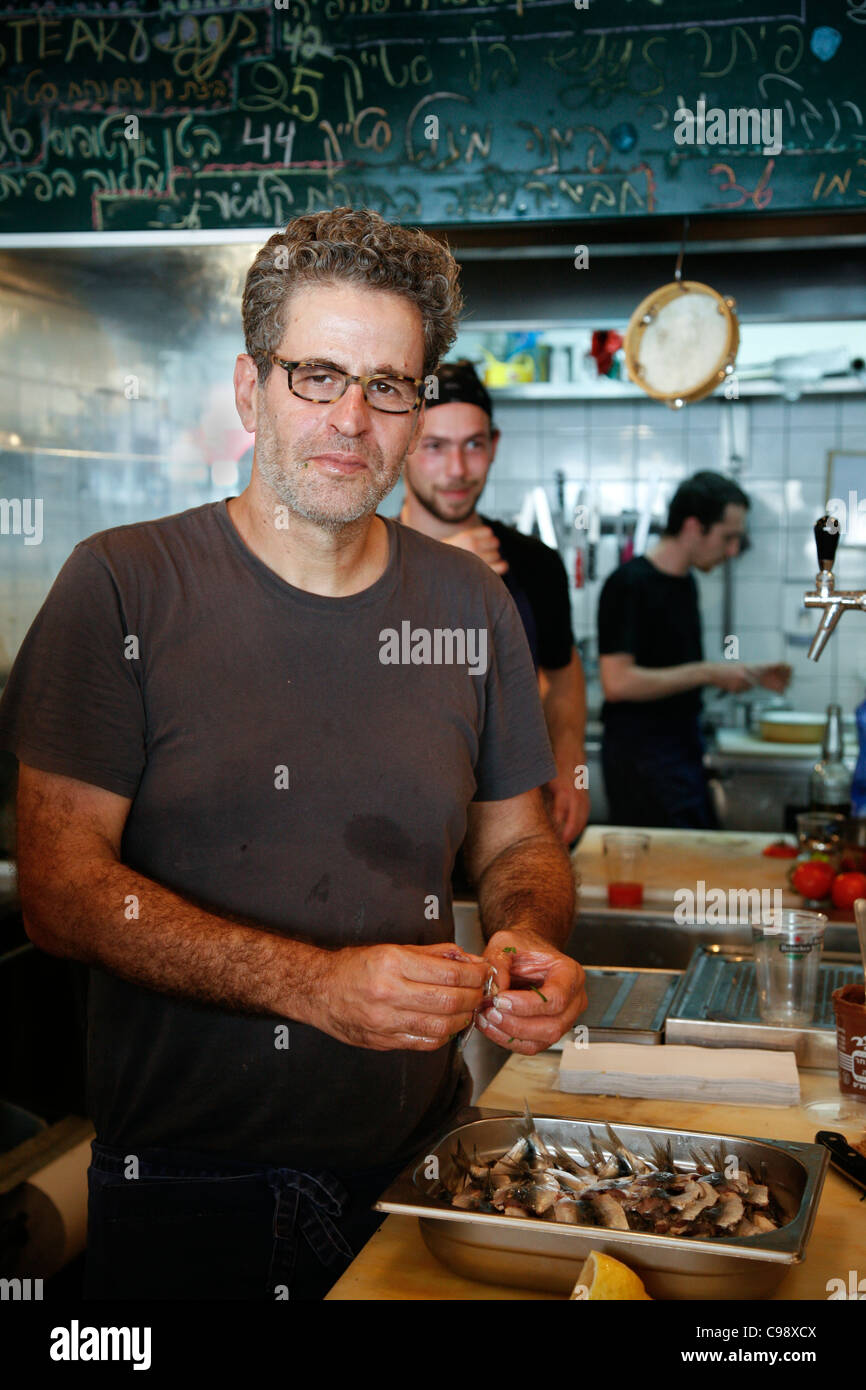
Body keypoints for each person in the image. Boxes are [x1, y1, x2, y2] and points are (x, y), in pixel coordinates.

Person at [0, 207, 586, 1301]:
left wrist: (528, 936)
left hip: (423, 1165)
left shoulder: (471, 602)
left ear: (419, 411)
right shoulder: (123, 585)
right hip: (188, 1192)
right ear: (248, 388)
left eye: (388, 386)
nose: (351, 420)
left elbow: (517, 839)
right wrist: (312, 987)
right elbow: (62, 892)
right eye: (316, 375)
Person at [400, 360, 590, 845]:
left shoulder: (536, 564)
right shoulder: (360, 556)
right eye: (435, 447)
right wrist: (443, 575)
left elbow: (564, 675)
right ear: (401, 443)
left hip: (513, 826)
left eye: (474, 446)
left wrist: (570, 762)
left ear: (494, 446)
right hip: (398, 826)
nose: (458, 470)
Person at [598, 470, 791, 829]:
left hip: (682, 748)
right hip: (641, 759)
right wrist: (709, 672)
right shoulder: (628, 584)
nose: (733, 551)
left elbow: (672, 668)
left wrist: (747, 673)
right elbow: (617, 682)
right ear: (692, 527)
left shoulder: (685, 583)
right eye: (727, 537)